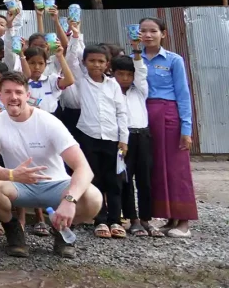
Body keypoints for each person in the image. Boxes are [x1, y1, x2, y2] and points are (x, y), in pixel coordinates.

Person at [0, 71, 103, 259]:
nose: (13, 97)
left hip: (56, 185)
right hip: (19, 185)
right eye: (8, 92)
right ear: (0, 96)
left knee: (93, 197)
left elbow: (83, 168)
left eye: (19, 92)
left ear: (28, 96)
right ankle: (13, 230)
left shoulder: (49, 121)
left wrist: (70, 200)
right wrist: (12, 175)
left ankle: (62, 230)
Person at [138, 17, 197, 237]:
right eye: (143, 31)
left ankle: (184, 222)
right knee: (156, 168)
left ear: (163, 34)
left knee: (176, 168)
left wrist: (186, 130)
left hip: (169, 115)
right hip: (144, 116)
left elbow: (183, 95)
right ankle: (169, 218)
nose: (148, 35)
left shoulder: (173, 60)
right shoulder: (136, 60)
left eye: (153, 31)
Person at [70, 43, 129, 240]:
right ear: (85, 63)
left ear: (107, 64)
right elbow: (71, 58)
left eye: (101, 61)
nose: (96, 65)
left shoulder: (113, 85)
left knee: (114, 181)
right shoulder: (82, 81)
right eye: (92, 61)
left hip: (112, 138)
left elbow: (121, 112)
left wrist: (124, 139)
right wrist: (75, 34)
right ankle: (100, 220)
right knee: (94, 179)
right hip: (88, 136)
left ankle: (115, 220)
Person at [112, 51, 155, 237]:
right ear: (112, 74)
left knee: (144, 178)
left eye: (129, 74)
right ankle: (133, 219)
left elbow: (141, 72)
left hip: (143, 136)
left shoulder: (140, 90)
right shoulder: (110, 91)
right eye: (120, 74)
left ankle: (146, 219)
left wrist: (137, 52)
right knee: (125, 179)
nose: (125, 78)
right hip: (123, 138)